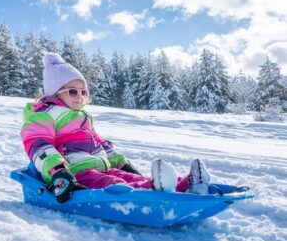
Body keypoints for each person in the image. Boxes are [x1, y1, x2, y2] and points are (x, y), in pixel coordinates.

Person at [21, 53, 211, 203]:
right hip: (76, 173)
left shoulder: (82, 117)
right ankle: (155, 192)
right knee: (116, 185)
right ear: (55, 92)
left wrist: (121, 163)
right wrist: (59, 172)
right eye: (72, 91)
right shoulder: (44, 115)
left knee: (125, 177)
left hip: (101, 167)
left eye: (83, 92)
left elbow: (100, 144)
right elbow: (39, 145)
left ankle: (188, 185)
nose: (79, 96)